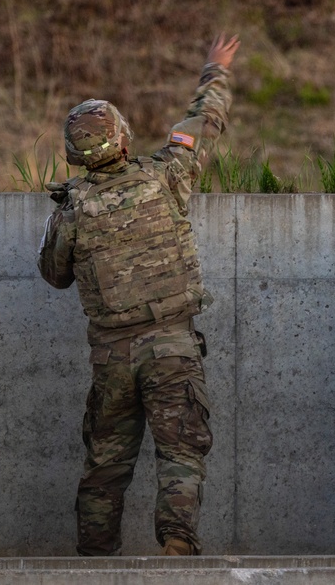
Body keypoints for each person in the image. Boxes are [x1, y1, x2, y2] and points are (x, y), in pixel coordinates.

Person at [37, 33, 240, 557]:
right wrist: (214, 70)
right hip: (172, 346)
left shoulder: (72, 209)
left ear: (76, 154)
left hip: (111, 355)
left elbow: (54, 275)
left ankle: (96, 561)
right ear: (123, 140)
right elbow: (205, 122)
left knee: (106, 463)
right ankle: (176, 547)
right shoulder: (165, 176)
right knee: (181, 452)